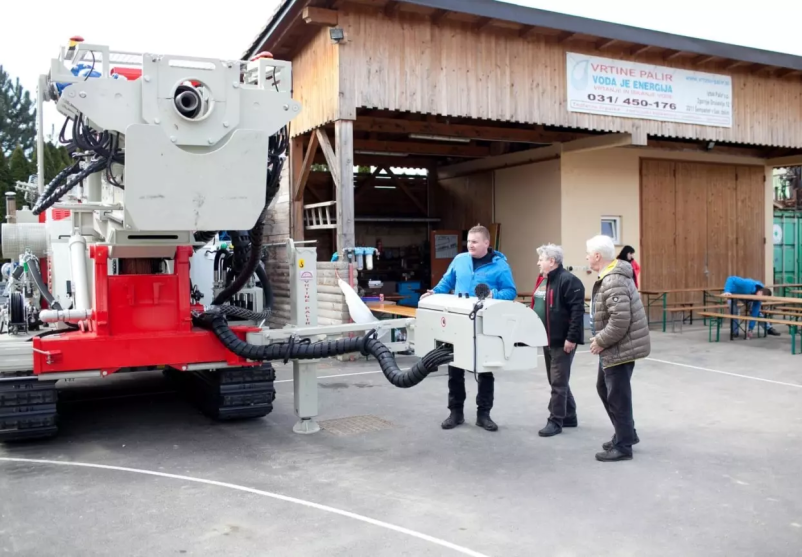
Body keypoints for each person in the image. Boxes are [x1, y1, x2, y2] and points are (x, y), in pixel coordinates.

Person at [421, 224, 517, 432]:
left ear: (486, 243)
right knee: (454, 368)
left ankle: (484, 415)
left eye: (474, 242)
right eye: (468, 242)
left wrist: (493, 295)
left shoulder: (500, 266)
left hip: (485, 324)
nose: (470, 245)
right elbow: (447, 282)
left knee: (485, 371)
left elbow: (510, 292)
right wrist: (434, 292)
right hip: (458, 323)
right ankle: (455, 413)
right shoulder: (460, 260)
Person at [587, 234, 650, 462]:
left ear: (596, 256)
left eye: (588, 253)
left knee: (617, 396)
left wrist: (600, 340)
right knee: (605, 389)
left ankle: (623, 446)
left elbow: (620, 320)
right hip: (615, 347)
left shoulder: (613, 279)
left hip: (619, 347)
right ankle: (626, 434)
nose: (586, 257)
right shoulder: (609, 276)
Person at [530, 244, 585, 437]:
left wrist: (571, 338)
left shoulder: (569, 281)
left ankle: (555, 420)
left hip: (562, 341)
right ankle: (569, 415)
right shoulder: (543, 280)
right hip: (546, 339)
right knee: (556, 380)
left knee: (558, 382)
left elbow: (578, 312)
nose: (538, 262)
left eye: (541, 259)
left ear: (551, 261)